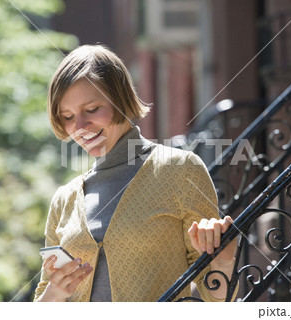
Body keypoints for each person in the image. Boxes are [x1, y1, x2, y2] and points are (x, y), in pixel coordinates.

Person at [34, 44, 237, 302]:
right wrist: (55, 293)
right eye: (68, 116)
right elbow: (42, 295)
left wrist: (225, 262)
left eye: (92, 109)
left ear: (121, 100)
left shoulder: (180, 171)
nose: (80, 126)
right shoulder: (64, 199)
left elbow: (218, 297)